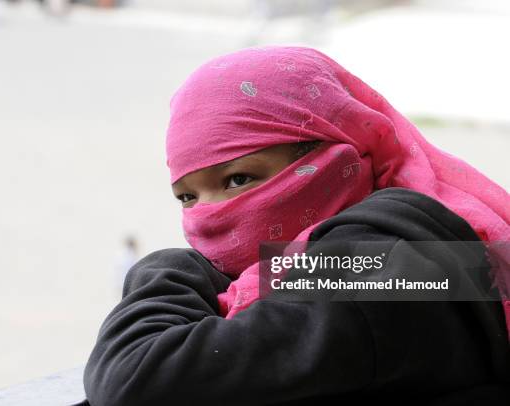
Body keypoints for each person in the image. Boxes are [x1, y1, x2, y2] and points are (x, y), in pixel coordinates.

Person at [77, 46, 510, 406]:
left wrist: (168, 269)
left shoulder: (383, 266)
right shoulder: (427, 245)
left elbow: (133, 377)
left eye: (239, 179)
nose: (210, 218)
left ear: (335, 154)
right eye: (188, 197)